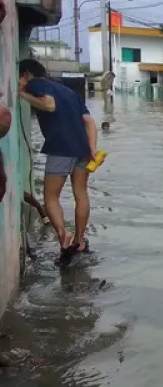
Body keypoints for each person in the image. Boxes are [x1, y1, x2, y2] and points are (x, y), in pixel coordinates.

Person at [18, 59, 98, 267]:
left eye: (19, 78)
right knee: (81, 193)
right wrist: (92, 148)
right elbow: (89, 121)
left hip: (61, 148)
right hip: (82, 149)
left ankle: (64, 235)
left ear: (26, 74)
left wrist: (22, 94)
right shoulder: (69, 92)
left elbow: (49, 105)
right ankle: (80, 241)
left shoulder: (36, 84)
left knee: (51, 197)